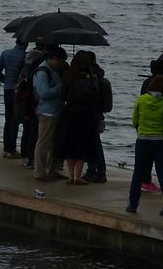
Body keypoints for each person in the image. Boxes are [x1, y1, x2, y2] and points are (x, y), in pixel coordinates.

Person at [127, 74, 163, 215]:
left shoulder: (141, 100)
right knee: (162, 173)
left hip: (143, 140)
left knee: (138, 173)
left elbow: (135, 120)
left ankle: (133, 204)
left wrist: (141, 130)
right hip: (160, 141)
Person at [60, 51, 100, 185]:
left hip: (70, 113)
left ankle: (71, 176)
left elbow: (63, 95)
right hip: (86, 115)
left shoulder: (69, 76)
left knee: (70, 144)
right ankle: (78, 176)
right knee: (82, 145)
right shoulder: (91, 79)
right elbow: (95, 99)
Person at [33, 47, 67, 181]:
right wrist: (60, 88)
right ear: (52, 58)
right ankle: (40, 172)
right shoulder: (43, 72)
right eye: (59, 61)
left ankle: (51, 170)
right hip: (47, 112)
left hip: (56, 110)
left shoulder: (54, 70)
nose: (60, 64)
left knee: (54, 143)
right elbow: (43, 92)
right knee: (43, 143)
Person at [138, 59, 163, 192]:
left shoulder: (146, 83)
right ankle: (148, 181)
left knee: (145, 157)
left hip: (144, 128)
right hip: (159, 131)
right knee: (159, 161)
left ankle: (144, 180)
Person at [82, 51, 112, 183]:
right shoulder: (100, 76)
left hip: (89, 114)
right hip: (98, 114)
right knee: (96, 143)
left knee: (92, 144)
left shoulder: (90, 78)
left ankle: (94, 171)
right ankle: (98, 171)